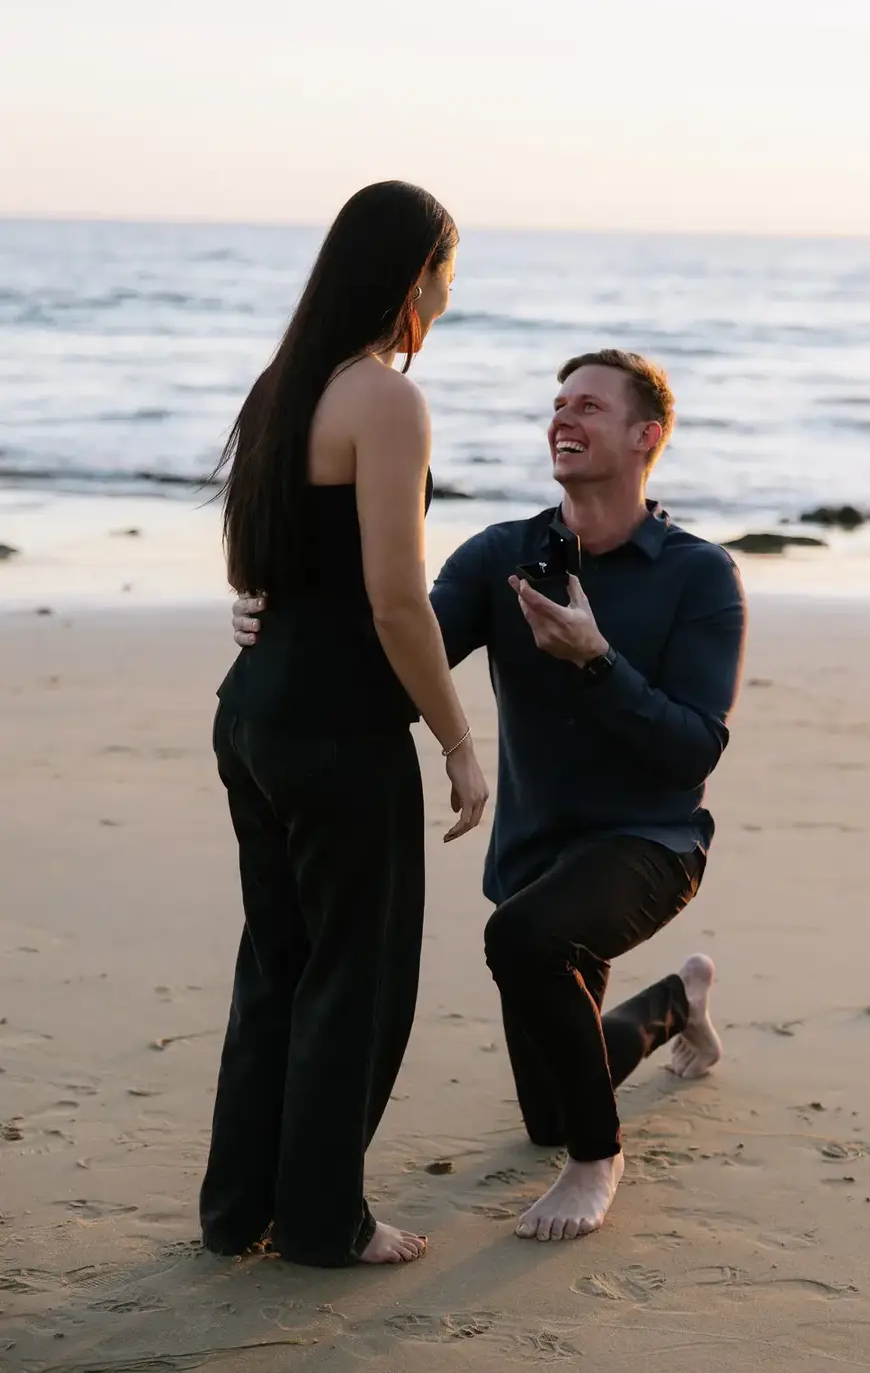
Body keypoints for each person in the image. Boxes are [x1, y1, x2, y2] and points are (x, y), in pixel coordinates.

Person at [232, 348, 746, 1242]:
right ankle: (678, 1002)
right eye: (557, 404)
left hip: (650, 843)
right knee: (547, 1105)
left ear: (644, 436)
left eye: (589, 406)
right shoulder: (503, 556)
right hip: (535, 856)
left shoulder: (699, 577)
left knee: (524, 946)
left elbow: (693, 749)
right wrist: (273, 621)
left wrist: (599, 663)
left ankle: (600, 1159)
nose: (564, 418)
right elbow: (394, 662)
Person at [204, 181, 488, 1270]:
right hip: (337, 736)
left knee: (276, 965)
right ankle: (323, 1221)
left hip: (254, 719)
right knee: (354, 978)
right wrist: (459, 742)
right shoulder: (386, 400)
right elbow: (396, 598)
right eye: (448, 274)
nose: (449, 297)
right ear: (414, 276)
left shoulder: (285, 384)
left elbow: (254, 566)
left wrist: (257, 615)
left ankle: (239, 1212)